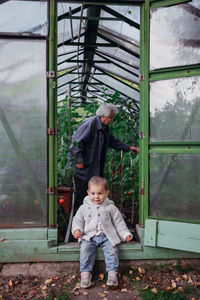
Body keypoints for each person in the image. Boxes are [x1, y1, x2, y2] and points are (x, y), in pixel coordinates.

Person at [67, 103, 139, 212]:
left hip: (94, 167)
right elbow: (75, 143)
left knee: (94, 194)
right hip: (83, 169)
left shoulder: (104, 128)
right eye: (111, 118)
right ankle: (78, 224)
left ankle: (92, 221)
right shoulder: (90, 124)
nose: (112, 120)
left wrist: (130, 148)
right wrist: (79, 160)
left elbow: (113, 142)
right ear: (103, 116)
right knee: (82, 197)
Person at [72, 176, 132, 288]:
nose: (96, 197)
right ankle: (85, 273)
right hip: (89, 236)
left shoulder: (111, 208)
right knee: (85, 250)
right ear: (88, 193)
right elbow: (77, 220)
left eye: (100, 193)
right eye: (93, 193)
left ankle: (112, 273)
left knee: (112, 250)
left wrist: (125, 234)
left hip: (107, 236)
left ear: (106, 193)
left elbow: (119, 223)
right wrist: (77, 230)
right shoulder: (84, 207)